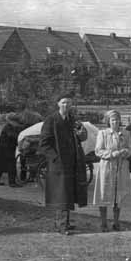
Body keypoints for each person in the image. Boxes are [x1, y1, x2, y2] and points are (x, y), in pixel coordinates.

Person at [38, 95, 88, 235]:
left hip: (72, 162)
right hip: (58, 164)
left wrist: (81, 132)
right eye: (63, 102)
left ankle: (64, 222)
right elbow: (44, 144)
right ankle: (61, 225)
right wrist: (55, 158)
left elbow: (81, 137)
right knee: (61, 195)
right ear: (58, 104)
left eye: (68, 103)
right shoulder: (51, 120)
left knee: (68, 193)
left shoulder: (72, 120)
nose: (66, 105)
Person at [93, 110, 131, 232]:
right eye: (112, 120)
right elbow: (98, 151)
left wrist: (126, 152)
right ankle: (103, 223)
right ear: (108, 122)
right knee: (104, 193)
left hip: (120, 167)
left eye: (117, 119)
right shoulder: (103, 133)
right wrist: (113, 153)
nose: (115, 122)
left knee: (118, 195)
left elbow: (130, 148)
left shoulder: (125, 133)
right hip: (107, 167)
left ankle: (116, 222)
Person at [0, 113, 23, 187]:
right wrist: (19, 136)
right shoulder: (8, 127)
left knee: (0, 165)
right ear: (11, 121)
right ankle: (12, 182)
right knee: (11, 164)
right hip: (6, 148)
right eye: (16, 122)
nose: (17, 124)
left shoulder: (10, 126)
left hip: (5, 147)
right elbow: (12, 136)